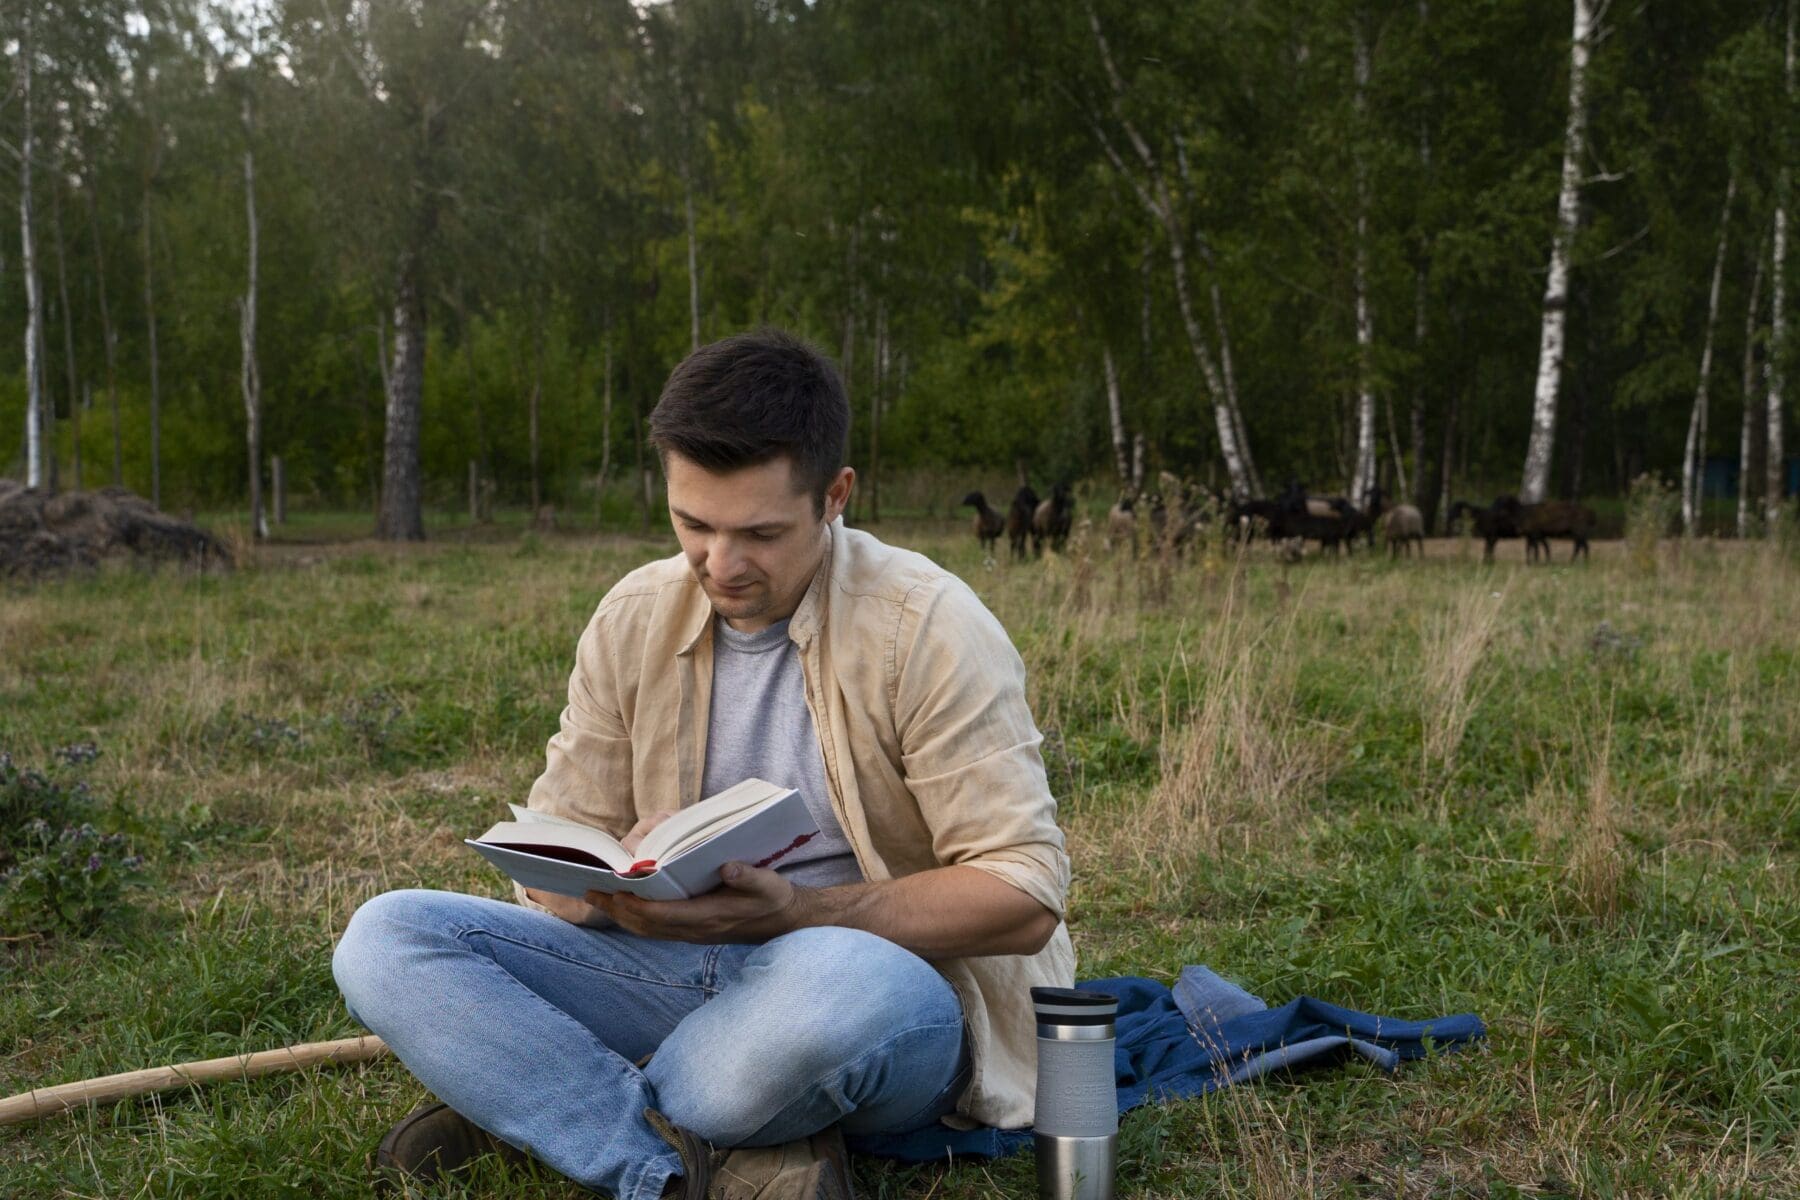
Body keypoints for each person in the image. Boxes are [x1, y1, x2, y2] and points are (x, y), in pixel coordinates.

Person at [332, 329, 1074, 1199]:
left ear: (835, 496)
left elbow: (1024, 894)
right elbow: (553, 851)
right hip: (668, 967)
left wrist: (798, 911)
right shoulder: (634, 616)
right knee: (386, 938)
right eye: (693, 524)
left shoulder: (930, 625)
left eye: (759, 532)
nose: (720, 565)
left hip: (865, 982)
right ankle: (678, 1164)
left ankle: (546, 1101)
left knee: (838, 995)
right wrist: (604, 879)